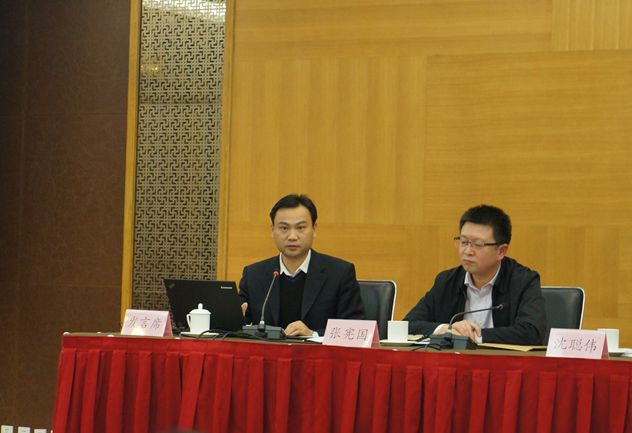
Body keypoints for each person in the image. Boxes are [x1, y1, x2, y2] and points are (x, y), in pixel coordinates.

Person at [404, 205, 546, 345]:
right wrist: (447, 329)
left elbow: (532, 332)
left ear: (501, 251)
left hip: (501, 360)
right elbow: (407, 325)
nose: (467, 251)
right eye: (464, 242)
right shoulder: (447, 281)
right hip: (455, 359)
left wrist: (473, 336)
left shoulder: (523, 281)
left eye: (478, 244)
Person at [239, 194, 365, 337]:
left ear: (314, 229)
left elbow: (355, 329)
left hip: (318, 351)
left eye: (300, 228)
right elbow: (237, 328)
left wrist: (313, 334)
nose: (292, 236)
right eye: (284, 228)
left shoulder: (340, 273)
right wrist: (235, 321)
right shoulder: (253, 275)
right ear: (272, 230)